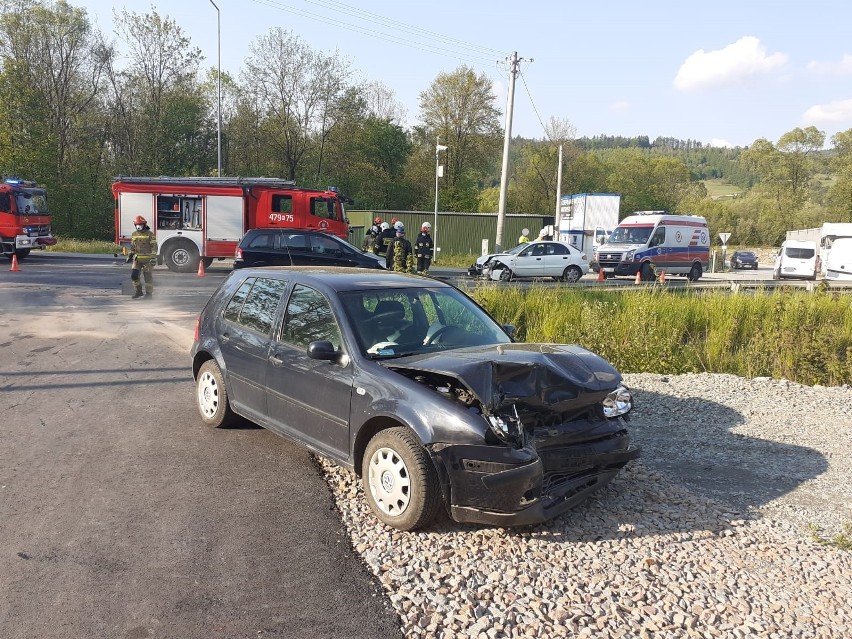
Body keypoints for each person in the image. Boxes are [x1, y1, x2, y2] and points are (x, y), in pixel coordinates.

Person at [129, 215, 157, 299]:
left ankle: (149, 294)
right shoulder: (134, 234)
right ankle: (139, 291)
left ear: (144, 225)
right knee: (134, 276)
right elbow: (133, 247)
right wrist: (130, 255)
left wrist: (153, 257)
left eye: (140, 224)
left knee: (147, 278)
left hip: (148, 260)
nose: (139, 226)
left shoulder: (150, 234)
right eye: (137, 224)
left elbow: (154, 247)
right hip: (137, 260)